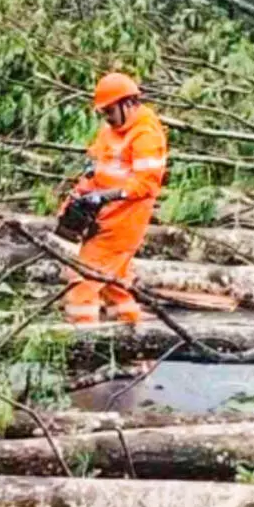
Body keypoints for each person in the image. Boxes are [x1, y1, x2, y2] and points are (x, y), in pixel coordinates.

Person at [60, 72, 168, 325]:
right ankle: (129, 327)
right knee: (113, 281)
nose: (107, 117)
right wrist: (79, 194)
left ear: (127, 104)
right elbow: (95, 168)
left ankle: (81, 335)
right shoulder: (110, 131)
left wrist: (105, 196)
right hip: (104, 217)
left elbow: (146, 184)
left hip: (124, 221)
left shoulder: (146, 135)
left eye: (109, 111)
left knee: (83, 280)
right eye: (103, 112)